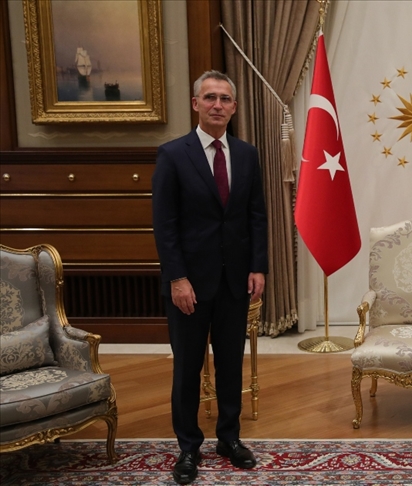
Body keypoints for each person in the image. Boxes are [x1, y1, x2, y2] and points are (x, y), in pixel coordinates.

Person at [152, 70, 268, 485]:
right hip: (189, 285)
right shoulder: (172, 154)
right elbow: (164, 224)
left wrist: (258, 266)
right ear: (196, 104)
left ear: (234, 107)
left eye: (224, 98)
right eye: (209, 97)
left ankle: (229, 439)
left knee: (231, 364)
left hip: (235, 281)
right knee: (187, 367)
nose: (217, 105)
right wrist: (177, 278)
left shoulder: (247, 154)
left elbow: (256, 215)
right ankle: (188, 447)